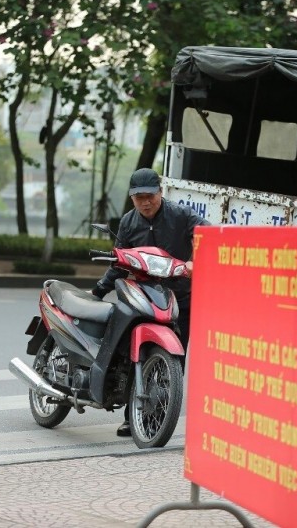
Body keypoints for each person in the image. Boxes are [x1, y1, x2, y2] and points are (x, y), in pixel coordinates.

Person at [92, 168, 210, 436]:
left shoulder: (181, 216)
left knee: (172, 362)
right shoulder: (128, 223)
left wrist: (195, 259)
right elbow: (120, 262)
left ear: (161, 192)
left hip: (179, 301)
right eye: (138, 197)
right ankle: (130, 416)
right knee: (133, 354)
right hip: (141, 301)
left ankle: (157, 417)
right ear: (132, 198)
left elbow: (208, 234)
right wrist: (99, 290)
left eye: (150, 196)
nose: (145, 202)